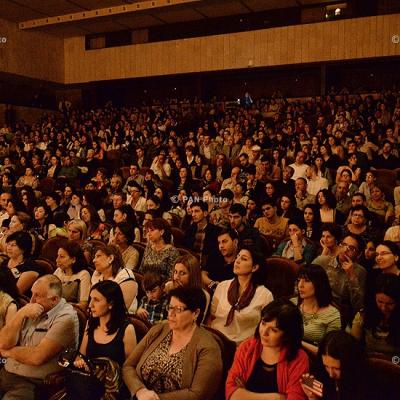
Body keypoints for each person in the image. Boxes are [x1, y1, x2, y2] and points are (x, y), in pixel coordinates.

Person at [122, 286, 223, 400]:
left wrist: (155, 399)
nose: (171, 314)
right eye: (170, 307)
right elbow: (128, 366)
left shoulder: (209, 348)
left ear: (196, 313)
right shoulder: (159, 329)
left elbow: (197, 395)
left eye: (178, 309)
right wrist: (140, 390)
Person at [0, 275, 79, 400]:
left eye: (37, 296)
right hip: (6, 374)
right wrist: (20, 314)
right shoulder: (29, 309)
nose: (31, 301)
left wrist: (8, 352)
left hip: (33, 382)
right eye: (32, 294)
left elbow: (37, 357)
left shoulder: (66, 319)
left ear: (54, 299)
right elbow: (2, 343)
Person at [226, 299, 309, 400]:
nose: (264, 333)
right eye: (263, 323)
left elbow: (296, 398)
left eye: (274, 330)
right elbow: (232, 395)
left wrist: (246, 394)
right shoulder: (247, 347)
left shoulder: (299, 358)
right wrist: (277, 397)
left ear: (287, 335)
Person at [72, 281, 136, 396]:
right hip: (89, 384)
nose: (90, 305)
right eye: (90, 299)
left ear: (111, 304)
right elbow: (81, 355)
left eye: (96, 300)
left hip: (113, 389)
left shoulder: (127, 329)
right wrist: (80, 363)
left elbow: (130, 368)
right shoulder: (90, 323)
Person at [209, 246, 274, 344]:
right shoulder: (222, 286)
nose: (237, 261)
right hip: (216, 340)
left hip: (243, 346)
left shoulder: (265, 295)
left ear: (254, 267)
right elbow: (211, 317)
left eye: (244, 259)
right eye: (238, 257)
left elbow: (266, 328)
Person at [312, 234, 366, 328]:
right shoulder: (322, 261)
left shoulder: (360, 271)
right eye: (343, 245)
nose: (345, 250)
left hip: (340, 313)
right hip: (315, 304)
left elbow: (358, 306)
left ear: (359, 254)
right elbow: (304, 279)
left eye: (351, 248)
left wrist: (352, 277)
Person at [301, 330, 366, 400]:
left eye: (336, 368)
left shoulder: (364, 385)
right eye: (326, 366)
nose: (331, 374)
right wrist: (312, 397)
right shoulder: (323, 375)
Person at [351, 273, 400, 359]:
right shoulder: (364, 314)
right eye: (380, 302)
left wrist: (391, 363)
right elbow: (352, 344)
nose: (384, 308)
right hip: (368, 361)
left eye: (390, 303)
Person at [293, 264, 341, 348]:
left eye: (307, 281)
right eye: (299, 280)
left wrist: (298, 342)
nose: (300, 285)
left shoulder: (332, 314)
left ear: (319, 284)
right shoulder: (292, 304)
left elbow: (330, 352)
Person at [91, 244, 138, 313]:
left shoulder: (125, 276)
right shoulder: (97, 276)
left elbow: (120, 310)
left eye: (98, 256)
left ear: (110, 258)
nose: (93, 260)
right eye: (94, 257)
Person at [167, 254, 211, 322]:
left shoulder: (203, 295)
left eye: (182, 273)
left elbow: (197, 322)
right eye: (175, 272)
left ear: (192, 275)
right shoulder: (170, 287)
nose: (176, 277)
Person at [1, 231, 43, 295]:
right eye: (8, 244)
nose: (9, 248)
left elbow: (16, 293)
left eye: (13, 245)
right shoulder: (5, 262)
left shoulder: (30, 268)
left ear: (24, 248)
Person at [53, 240, 91, 311]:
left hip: (72, 313)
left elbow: (83, 305)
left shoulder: (83, 274)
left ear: (73, 259)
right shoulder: (58, 271)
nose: (57, 260)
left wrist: (58, 307)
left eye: (61, 257)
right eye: (57, 256)